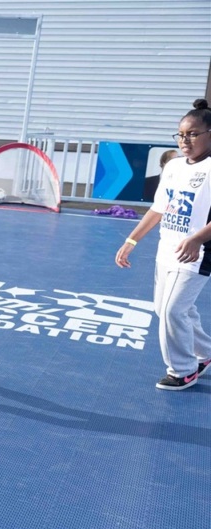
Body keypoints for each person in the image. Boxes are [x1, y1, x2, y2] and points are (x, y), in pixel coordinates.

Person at [115, 99, 211, 390]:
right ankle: (205, 353)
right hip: (166, 250)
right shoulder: (173, 166)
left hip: (198, 252)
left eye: (193, 134)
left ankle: (183, 370)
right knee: (168, 309)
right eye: (181, 134)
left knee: (172, 310)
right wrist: (131, 240)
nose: (185, 139)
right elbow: (159, 208)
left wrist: (196, 239)